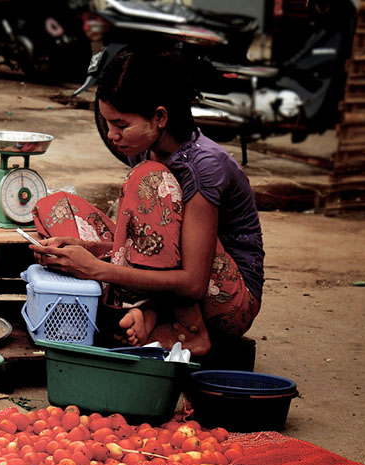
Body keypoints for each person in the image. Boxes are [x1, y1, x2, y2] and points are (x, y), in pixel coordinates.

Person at [29, 48, 264, 356]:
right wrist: (88, 250)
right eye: (108, 124)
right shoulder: (145, 148)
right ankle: (148, 312)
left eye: (121, 125)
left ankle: (187, 329)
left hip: (225, 299)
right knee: (57, 207)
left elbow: (194, 282)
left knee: (148, 178)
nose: (112, 135)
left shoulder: (204, 167)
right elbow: (149, 243)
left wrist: (96, 269)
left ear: (160, 117)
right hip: (175, 277)